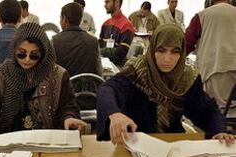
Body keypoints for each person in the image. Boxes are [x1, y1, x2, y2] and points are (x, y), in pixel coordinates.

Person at [96, 24, 233, 145]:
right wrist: (114, 113)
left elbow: (207, 110)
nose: (167, 59)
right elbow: (107, 89)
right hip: (136, 144)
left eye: (175, 52)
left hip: (172, 145)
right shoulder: (136, 71)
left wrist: (219, 131)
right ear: (153, 48)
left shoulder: (185, 78)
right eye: (161, 50)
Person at [0, 22, 86, 138]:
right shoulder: (1, 74)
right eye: (21, 54)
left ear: (43, 53)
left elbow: (68, 105)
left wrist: (69, 118)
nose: (27, 59)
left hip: (48, 139)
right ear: (14, 51)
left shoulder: (58, 75)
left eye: (34, 55)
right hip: (8, 138)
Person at [185, 0, 236, 107]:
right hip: (233, 66)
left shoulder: (202, 15)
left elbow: (187, 43)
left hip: (213, 69)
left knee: (213, 110)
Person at [52, 2, 102, 77]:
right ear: (80, 19)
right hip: (88, 87)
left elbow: (50, 71)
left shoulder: (54, 41)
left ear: (64, 19)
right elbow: (99, 71)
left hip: (64, 87)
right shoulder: (93, 41)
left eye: (60, 18)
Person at [99, 0, 134, 66]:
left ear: (117, 3)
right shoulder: (105, 23)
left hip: (118, 67)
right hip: (103, 65)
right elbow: (100, 44)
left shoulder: (126, 25)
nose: (105, 5)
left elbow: (121, 52)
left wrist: (99, 51)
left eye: (107, 2)